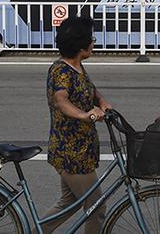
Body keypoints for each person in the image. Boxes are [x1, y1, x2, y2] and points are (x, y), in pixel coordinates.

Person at [41, 15, 114, 234]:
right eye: (91, 38)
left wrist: (101, 102)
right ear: (80, 45)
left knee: (68, 203)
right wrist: (85, 116)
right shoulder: (61, 71)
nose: (94, 42)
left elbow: (89, 89)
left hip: (81, 150)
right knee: (96, 207)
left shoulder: (77, 67)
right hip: (71, 153)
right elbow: (61, 100)